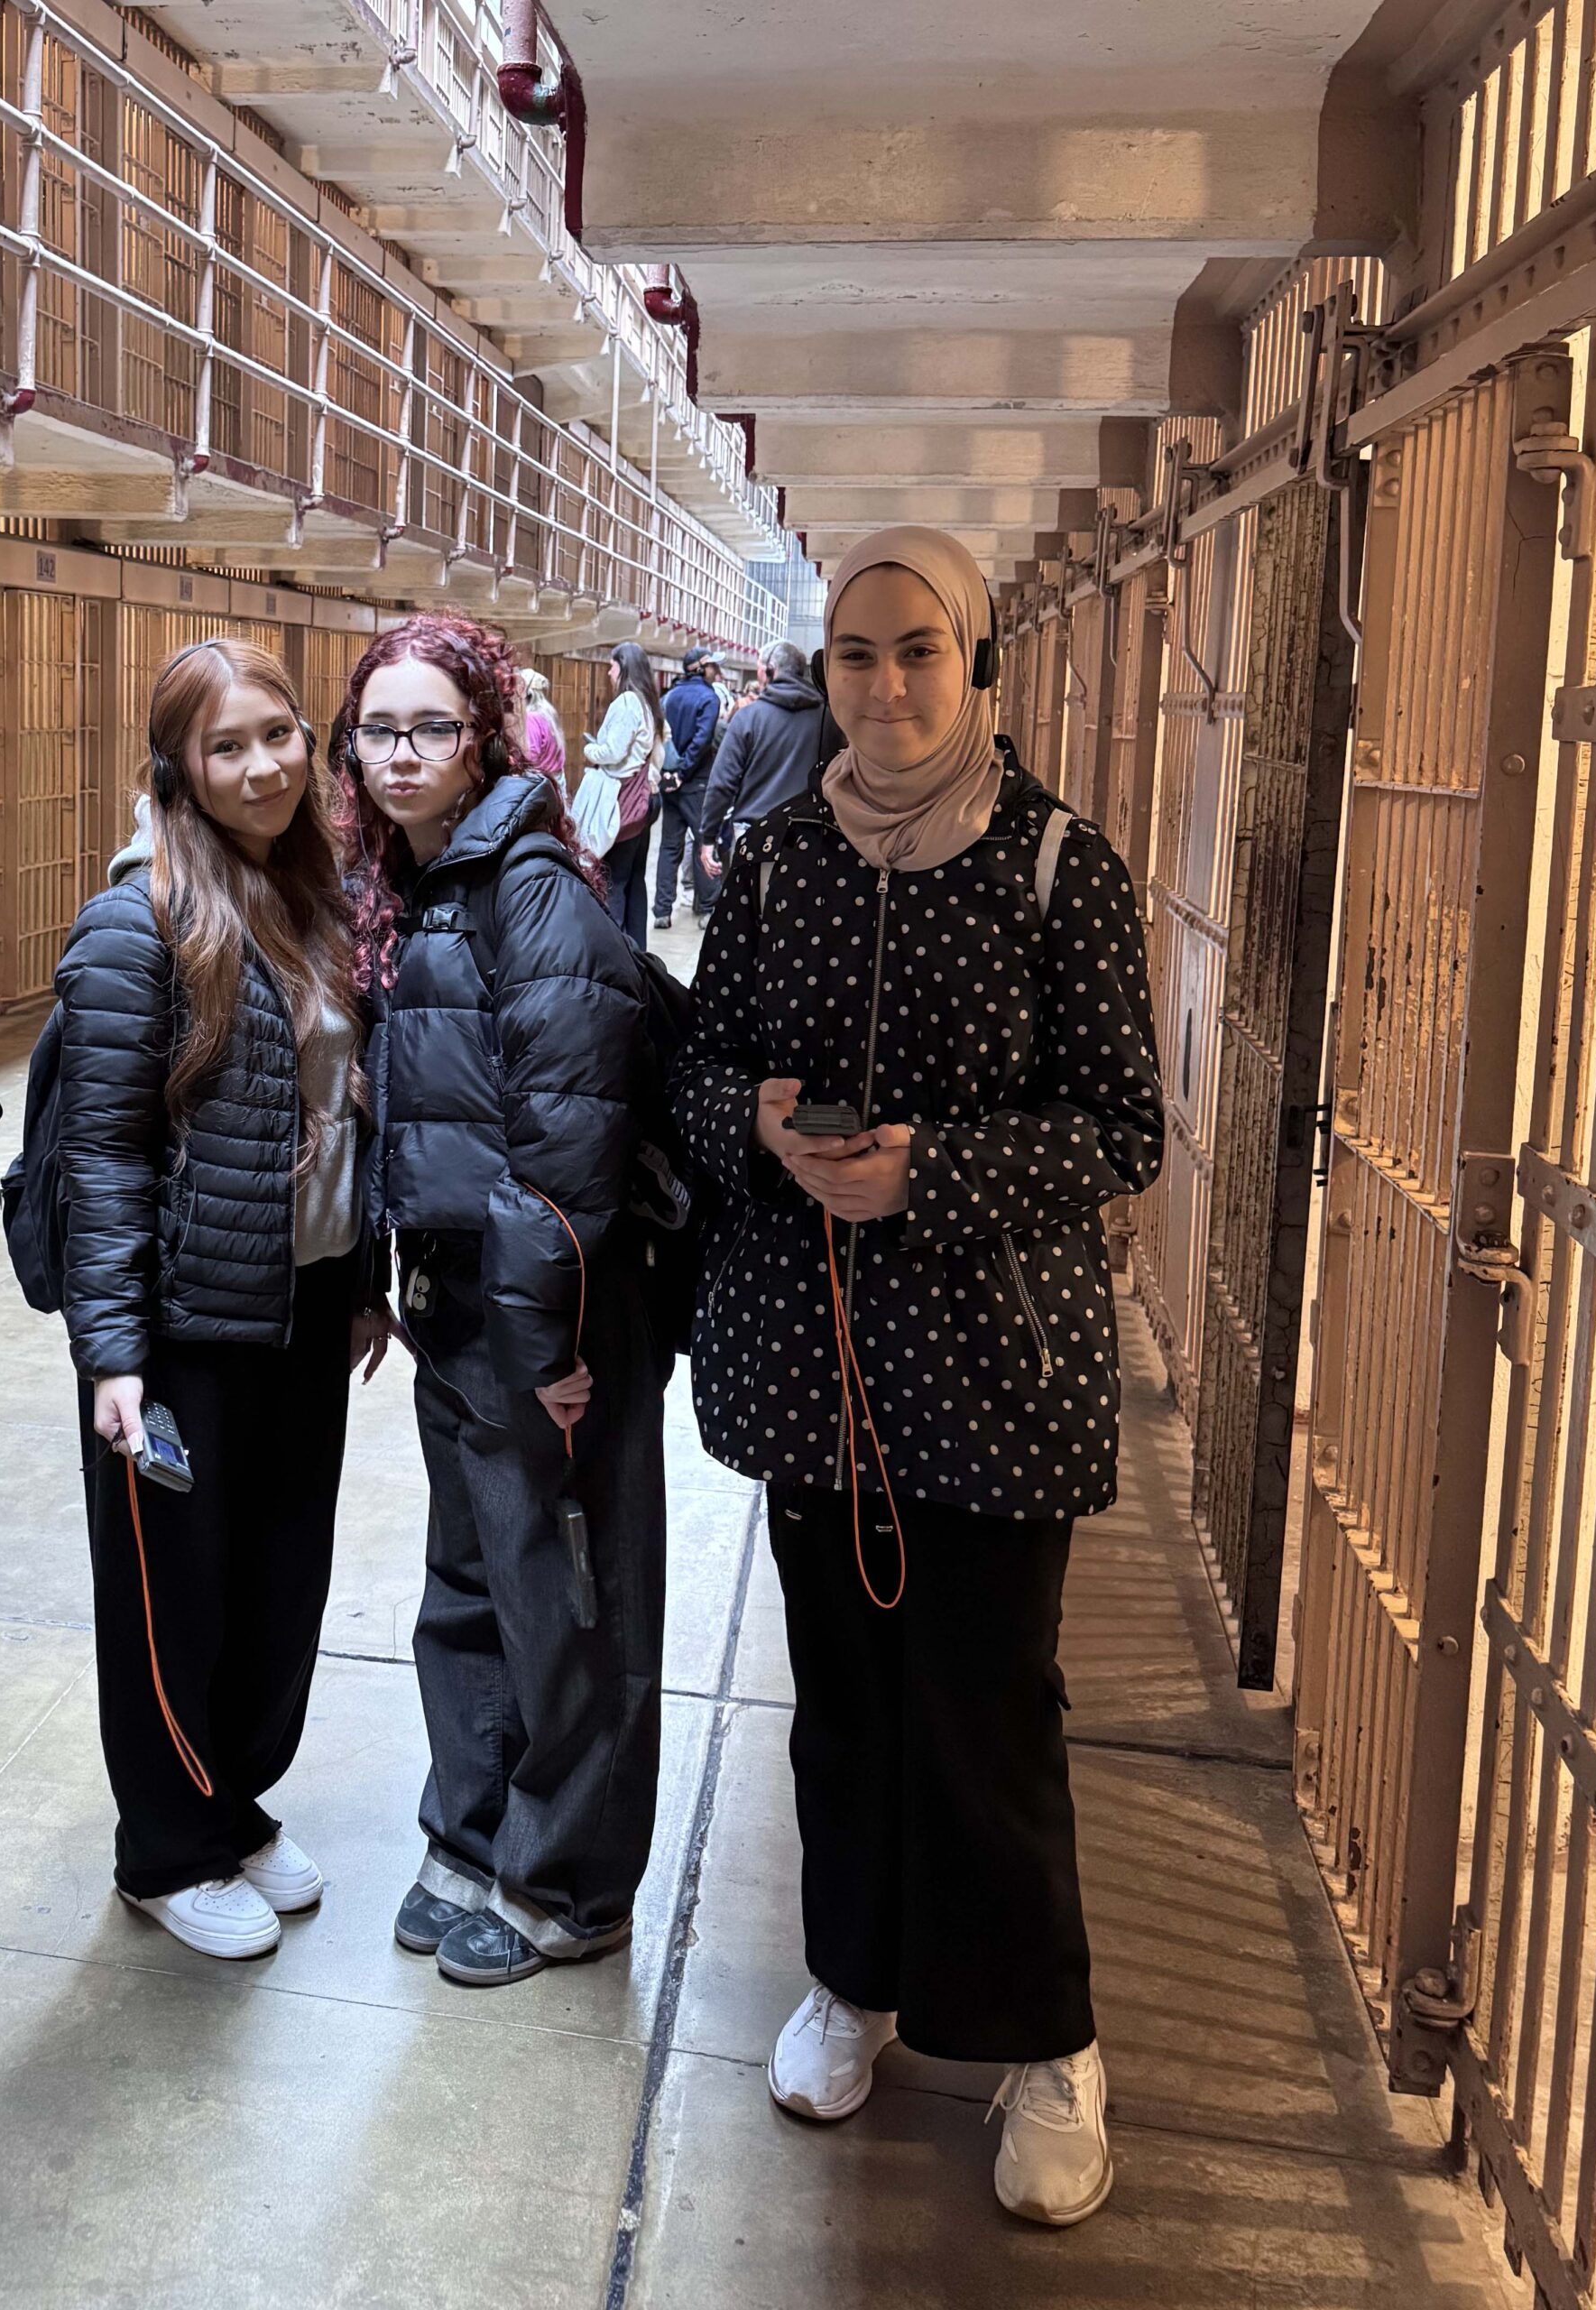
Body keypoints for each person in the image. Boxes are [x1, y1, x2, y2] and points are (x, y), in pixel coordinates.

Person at [673, 526, 1163, 2226]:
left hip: (993, 1377)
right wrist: (745, 1123)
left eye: (918, 652)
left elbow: (1123, 1129)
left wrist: (925, 1176)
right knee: (848, 1708)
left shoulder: (1056, 866)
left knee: (988, 1714)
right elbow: (697, 1071)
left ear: (977, 666)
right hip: (817, 1372)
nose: (883, 689)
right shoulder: (778, 857)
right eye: (855, 656)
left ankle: (1047, 2042)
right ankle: (854, 1981)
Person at [342, 611, 669, 1989]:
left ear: (484, 740)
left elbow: (570, 1148)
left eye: (429, 728)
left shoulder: (529, 894)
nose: (400, 756)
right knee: (472, 1583)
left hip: (551, 1320)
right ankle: (472, 1832)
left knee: (571, 1600)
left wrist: (550, 1349)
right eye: (376, 730)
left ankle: (572, 1882)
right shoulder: (419, 888)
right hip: (466, 1308)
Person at [54, 639, 391, 1963]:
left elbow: (340, 1112)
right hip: (185, 1322)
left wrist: (358, 1281)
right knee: (170, 1592)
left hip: (299, 1305)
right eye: (225, 745)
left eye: (278, 735)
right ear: (181, 769)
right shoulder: (137, 918)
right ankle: (165, 1847)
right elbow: (99, 1154)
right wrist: (114, 1353)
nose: (261, 765)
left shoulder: (309, 892)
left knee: (274, 1577)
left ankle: (232, 1801)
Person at [697, 642, 830, 885]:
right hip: (811, 839)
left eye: (759, 669)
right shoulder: (826, 720)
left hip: (755, 837)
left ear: (770, 670)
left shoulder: (748, 719)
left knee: (751, 918)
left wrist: (708, 838)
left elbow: (722, 785)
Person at [581, 641, 663, 944]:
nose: (609, 671)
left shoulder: (628, 701)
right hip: (641, 799)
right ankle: (636, 950)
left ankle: (614, 953)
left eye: (612, 665)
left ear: (623, 666)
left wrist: (590, 748)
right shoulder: (647, 702)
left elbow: (612, 752)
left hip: (623, 800)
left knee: (612, 881)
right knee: (633, 882)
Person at [652, 644, 723, 929]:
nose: (717, 671)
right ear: (700, 668)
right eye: (713, 666)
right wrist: (684, 772)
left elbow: (664, 738)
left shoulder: (668, 698)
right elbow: (702, 739)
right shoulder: (709, 699)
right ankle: (707, 910)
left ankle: (662, 912)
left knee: (670, 846)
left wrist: (671, 773)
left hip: (671, 784)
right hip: (697, 783)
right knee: (704, 843)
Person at [519, 664, 566, 789]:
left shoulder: (531, 718)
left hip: (541, 783)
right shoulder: (548, 713)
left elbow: (531, 755)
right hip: (556, 778)